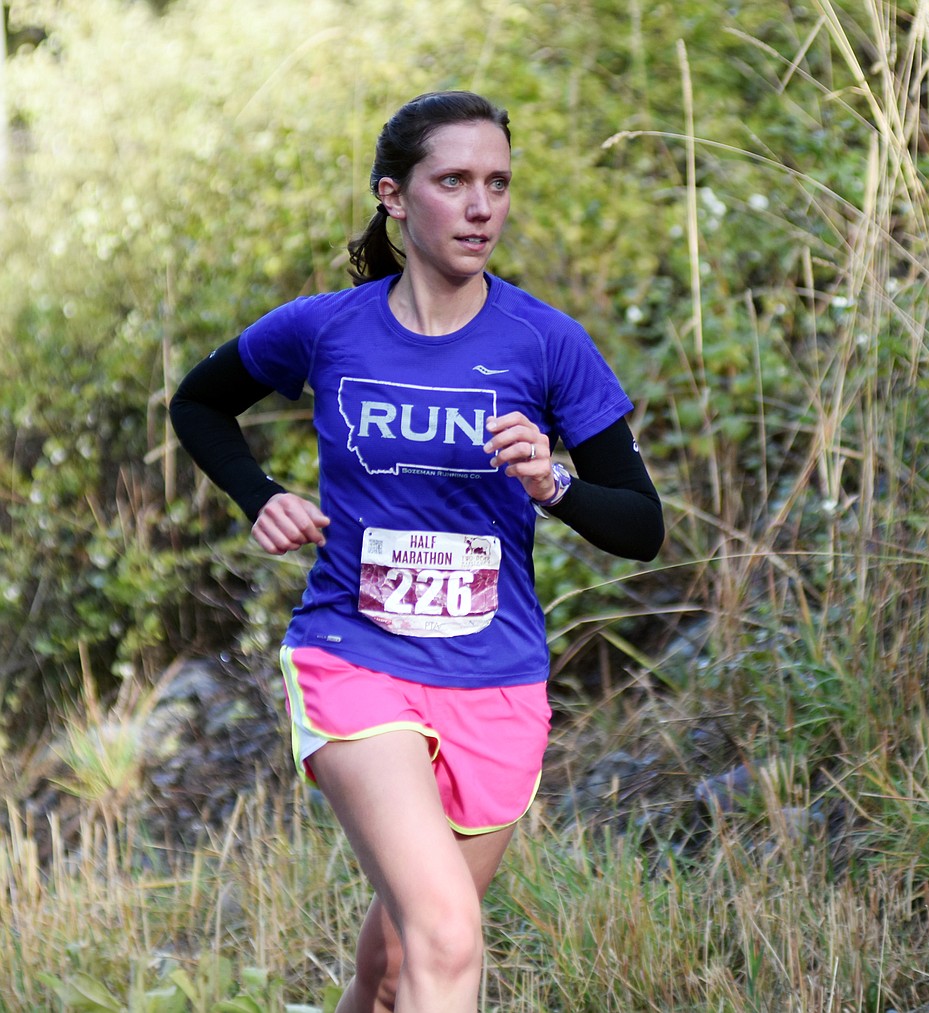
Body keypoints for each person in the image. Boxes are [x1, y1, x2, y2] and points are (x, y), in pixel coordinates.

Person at [169, 90, 663, 1013]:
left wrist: (554, 483)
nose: (482, 207)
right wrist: (263, 494)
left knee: (397, 967)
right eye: (455, 182)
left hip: (496, 672)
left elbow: (642, 526)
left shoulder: (546, 343)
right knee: (447, 933)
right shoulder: (326, 328)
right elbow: (198, 402)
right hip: (353, 654)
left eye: (499, 184)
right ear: (395, 197)